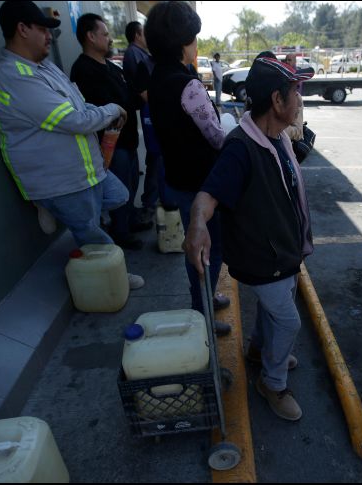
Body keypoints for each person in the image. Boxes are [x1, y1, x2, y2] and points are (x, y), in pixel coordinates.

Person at [184, 57, 315, 421]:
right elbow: (207, 195)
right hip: (262, 258)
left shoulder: (276, 138)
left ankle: (259, 351)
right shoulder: (240, 147)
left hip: (283, 253)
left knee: (277, 310)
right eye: (295, 93)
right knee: (288, 322)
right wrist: (197, 226)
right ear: (277, 100)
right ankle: (272, 384)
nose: (299, 101)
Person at [0, 3, 139, 261]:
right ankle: (114, 285)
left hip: (87, 171)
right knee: (95, 238)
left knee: (120, 196)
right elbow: (74, 120)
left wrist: (104, 111)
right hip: (63, 181)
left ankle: (54, 208)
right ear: (22, 29)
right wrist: (112, 110)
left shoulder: (44, 67)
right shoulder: (16, 78)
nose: (50, 36)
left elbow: (78, 105)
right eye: (42, 29)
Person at [145, 1, 231, 334]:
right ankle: (203, 315)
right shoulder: (188, 84)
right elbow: (216, 137)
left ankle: (205, 300)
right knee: (210, 249)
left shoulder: (157, 77)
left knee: (196, 247)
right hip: (201, 184)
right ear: (183, 43)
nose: (196, 44)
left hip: (177, 179)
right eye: (194, 38)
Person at [70, 13, 152, 252]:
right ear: (90, 36)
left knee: (131, 182)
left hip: (127, 139)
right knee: (120, 188)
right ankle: (120, 231)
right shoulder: (83, 70)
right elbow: (97, 107)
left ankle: (128, 222)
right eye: (104, 34)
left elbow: (129, 94)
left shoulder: (112, 68)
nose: (109, 39)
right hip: (109, 143)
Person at [122, 21, 164, 220]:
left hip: (157, 116)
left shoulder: (153, 59)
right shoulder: (136, 57)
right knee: (155, 159)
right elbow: (141, 90)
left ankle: (155, 199)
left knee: (160, 161)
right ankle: (149, 202)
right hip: (151, 117)